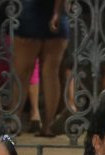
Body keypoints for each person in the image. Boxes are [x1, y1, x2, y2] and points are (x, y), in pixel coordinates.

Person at [13, 0, 68, 137]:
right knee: (50, 73)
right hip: (56, 12)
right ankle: (48, 125)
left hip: (30, 10)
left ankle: (14, 122)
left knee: (23, 72)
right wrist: (56, 11)